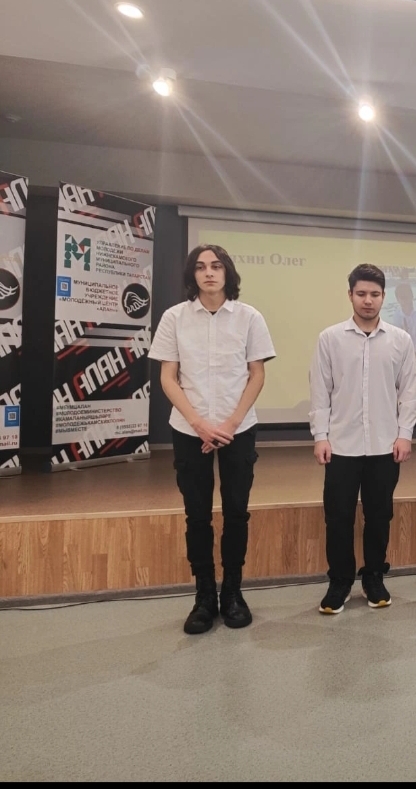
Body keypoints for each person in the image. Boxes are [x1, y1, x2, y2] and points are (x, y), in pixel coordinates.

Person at [148, 244, 275, 634]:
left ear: (227, 273)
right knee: (197, 515)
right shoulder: (175, 317)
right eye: (201, 267)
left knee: (236, 512)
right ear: (193, 274)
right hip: (190, 429)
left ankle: (232, 593)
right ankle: (204, 597)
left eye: (216, 266)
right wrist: (200, 424)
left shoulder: (250, 317)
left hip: (239, 428)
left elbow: (257, 374)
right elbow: (168, 377)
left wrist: (230, 425)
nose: (209, 272)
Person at [310, 264, 416, 614]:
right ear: (350, 295)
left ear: (383, 297)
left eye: (374, 294)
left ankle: (373, 577)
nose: (368, 300)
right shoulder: (330, 338)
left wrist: (405, 434)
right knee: (338, 517)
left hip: (385, 445)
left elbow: (410, 393)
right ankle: (340, 581)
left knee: (379, 516)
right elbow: (320, 392)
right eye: (361, 294)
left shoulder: (400, 340)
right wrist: (320, 436)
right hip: (341, 445)